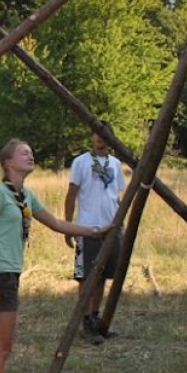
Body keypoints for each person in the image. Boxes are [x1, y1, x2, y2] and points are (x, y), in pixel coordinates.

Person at [0, 139, 108, 373]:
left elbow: (58, 224)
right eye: (24, 152)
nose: (30, 156)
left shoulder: (24, 196)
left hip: (9, 274)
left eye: (31, 152)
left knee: (4, 347)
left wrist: (97, 230)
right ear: (7, 162)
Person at [63, 130, 125, 342]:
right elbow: (71, 195)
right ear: (91, 137)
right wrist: (68, 226)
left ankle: (96, 318)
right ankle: (86, 319)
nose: (101, 139)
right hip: (87, 227)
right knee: (87, 276)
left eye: (106, 136)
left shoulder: (116, 164)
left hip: (111, 227)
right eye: (98, 135)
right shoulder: (80, 162)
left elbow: (117, 196)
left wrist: (119, 224)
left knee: (104, 276)